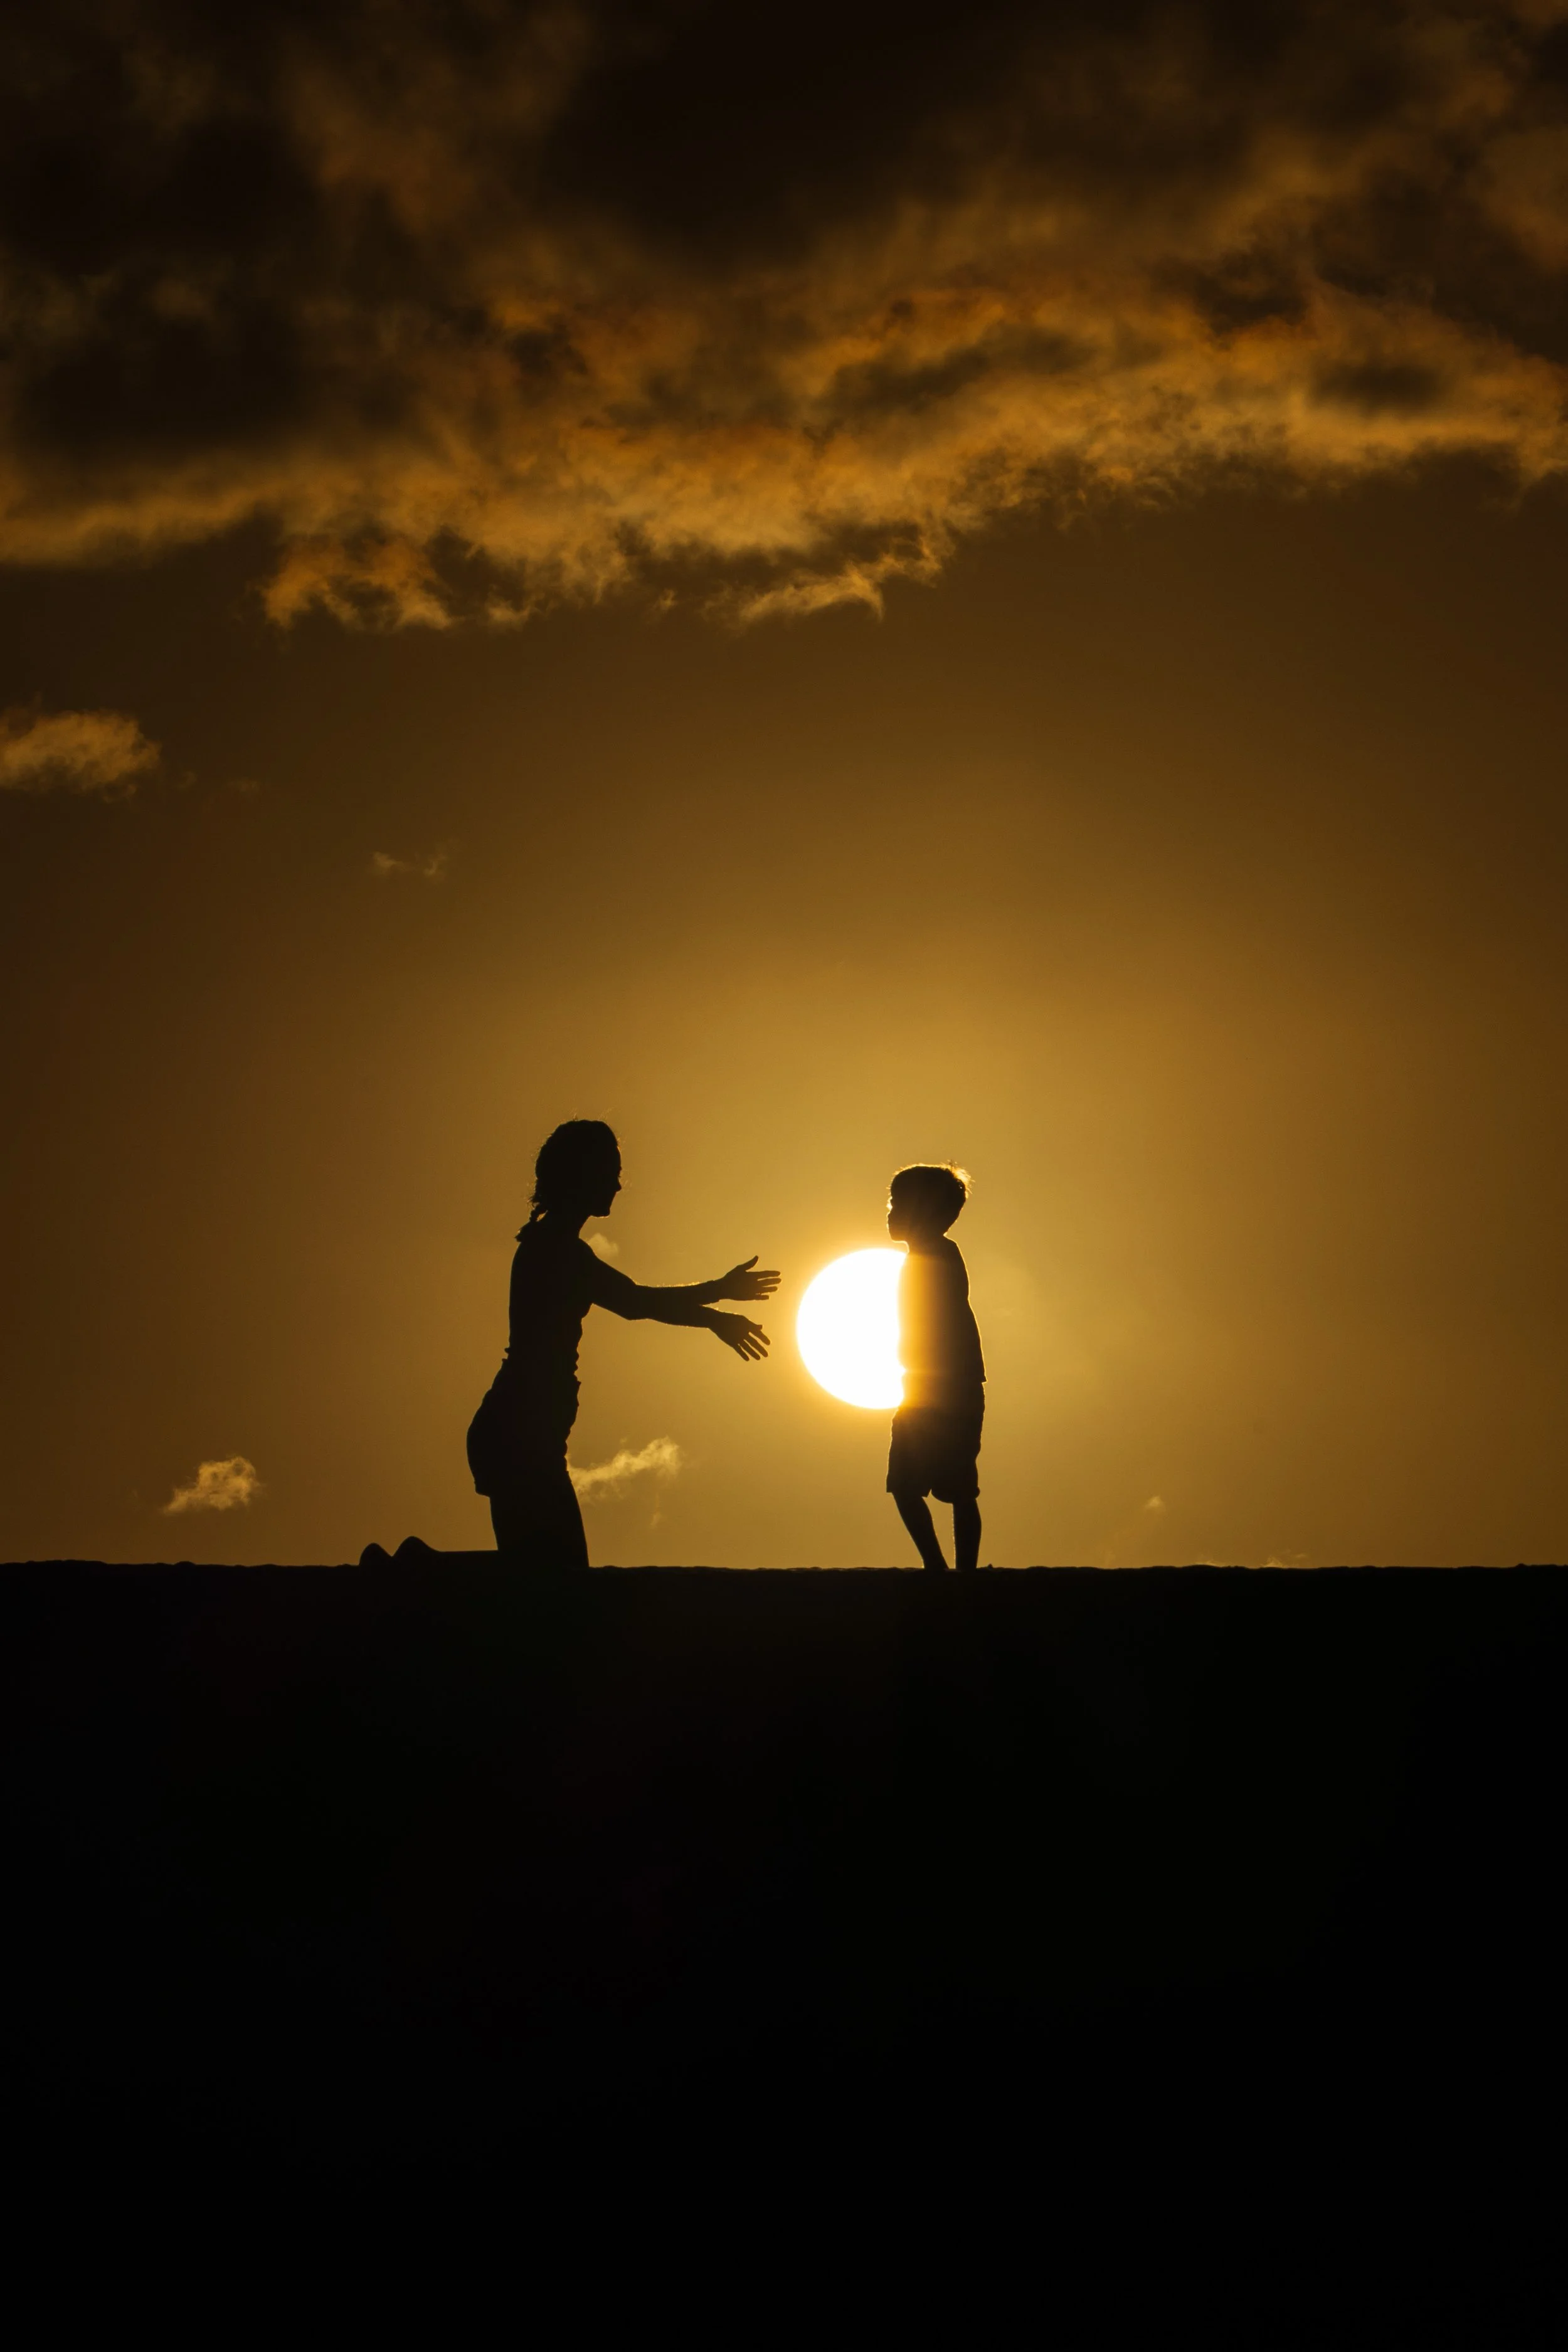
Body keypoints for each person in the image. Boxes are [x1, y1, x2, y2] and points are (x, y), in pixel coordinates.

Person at [467, 1120, 779, 1566]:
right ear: (582, 1175)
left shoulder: (554, 1245)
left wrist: (714, 1314)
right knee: (555, 1575)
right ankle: (411, 1570)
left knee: (537, 1573)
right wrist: (717, 1297)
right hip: (521, 1430)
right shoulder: (559, 1251)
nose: (617, 1184)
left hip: (523, 1428)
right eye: (610, 1171)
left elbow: (635, 1302)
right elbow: (636, 1302)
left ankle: (413, 1566)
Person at [885, 1162, 985, 1574]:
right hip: (928, 1386)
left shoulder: (938, 1257)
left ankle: (957, 1574)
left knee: (955, 1486)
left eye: (897, 1204)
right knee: (908, 1484)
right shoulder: (927, 1257)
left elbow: (937, 1323)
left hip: (946, 1389)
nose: (889, 1213)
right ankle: (941, 1570)